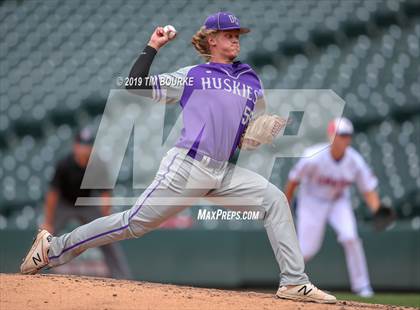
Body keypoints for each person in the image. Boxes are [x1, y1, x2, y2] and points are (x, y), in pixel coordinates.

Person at [21, 12, 335, 303]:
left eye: (238, 34)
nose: (236, 38)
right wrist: (152, 46)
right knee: (133, 223)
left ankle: (294, 281)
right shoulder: (193, 75)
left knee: (275, 200)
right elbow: (136, 85)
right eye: (229, 34)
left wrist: (258, 134)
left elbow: (247, 134)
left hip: (223, 171)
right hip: (187, 166)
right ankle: (53, 248)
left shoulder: (251, 79)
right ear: (212, 39)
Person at [284, 117, 380, 297]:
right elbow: (293, 180)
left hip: (338, 201)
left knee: (351, 237)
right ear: (331, 136)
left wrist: (377, 210)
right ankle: (290, 282)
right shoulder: (314, 155)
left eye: (347, 135)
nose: (344, 139)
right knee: (307, 249)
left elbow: (368, 189)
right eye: (340, 135)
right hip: (312, 200)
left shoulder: (354, 160)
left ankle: (362, 287)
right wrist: (285, 204)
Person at [40, 127, 132, 279]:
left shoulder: (98, 165)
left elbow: (105, 194)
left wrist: (105, 218)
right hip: (65, 204)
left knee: (107, 234)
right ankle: (33, 270)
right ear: (75, 146)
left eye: (87, 145)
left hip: (87, 205)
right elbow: (52, 194)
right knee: (45, 235)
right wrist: (48, 222)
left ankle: (122, 277)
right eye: (81, 145)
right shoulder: (64, 164)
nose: (84, 149)